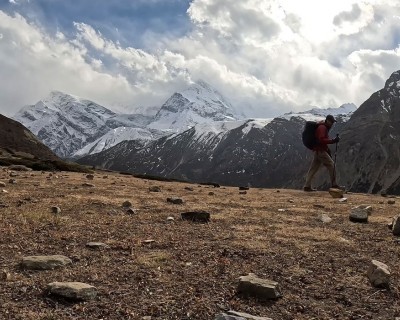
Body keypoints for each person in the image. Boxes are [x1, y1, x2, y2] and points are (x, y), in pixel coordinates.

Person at [304, 114, 340, 192]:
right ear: (327, 121)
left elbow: (321, 140)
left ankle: (307, 186)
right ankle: (334, 184)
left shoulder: (321, 127)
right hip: (321, 151)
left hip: (317, 151)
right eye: (331, 122)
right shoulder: (323, 128)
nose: (332, 124)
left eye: (333, 122)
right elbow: (322, 140)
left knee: (313, 168)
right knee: (332, 165)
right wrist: (333, 141)